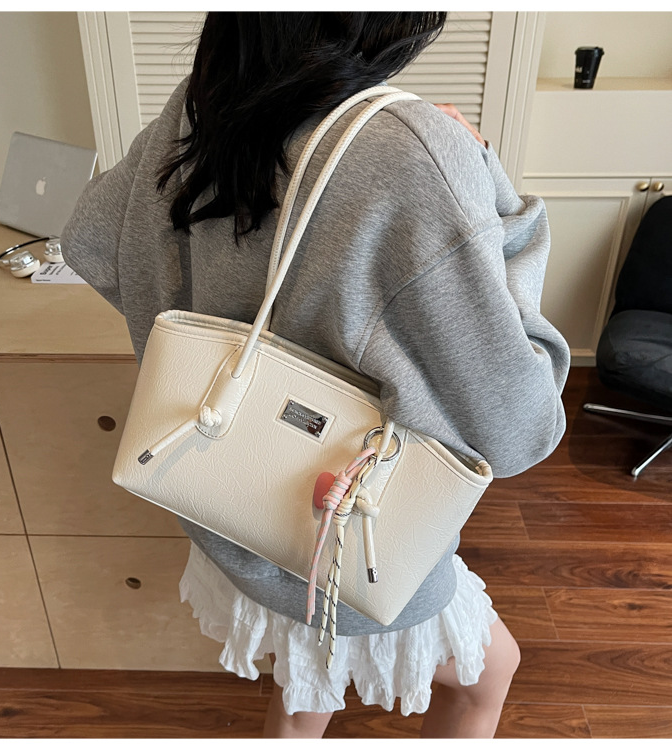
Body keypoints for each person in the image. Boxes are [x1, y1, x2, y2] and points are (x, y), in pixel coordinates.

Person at [61, 12, 570, 739]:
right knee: (488, 676)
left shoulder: (208, 98)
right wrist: (491, 188)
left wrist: (218, 331)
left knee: (304, 692)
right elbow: (519, 429)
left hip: (224, 496)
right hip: (355, 535)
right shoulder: (414, 150)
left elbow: (90, 241)